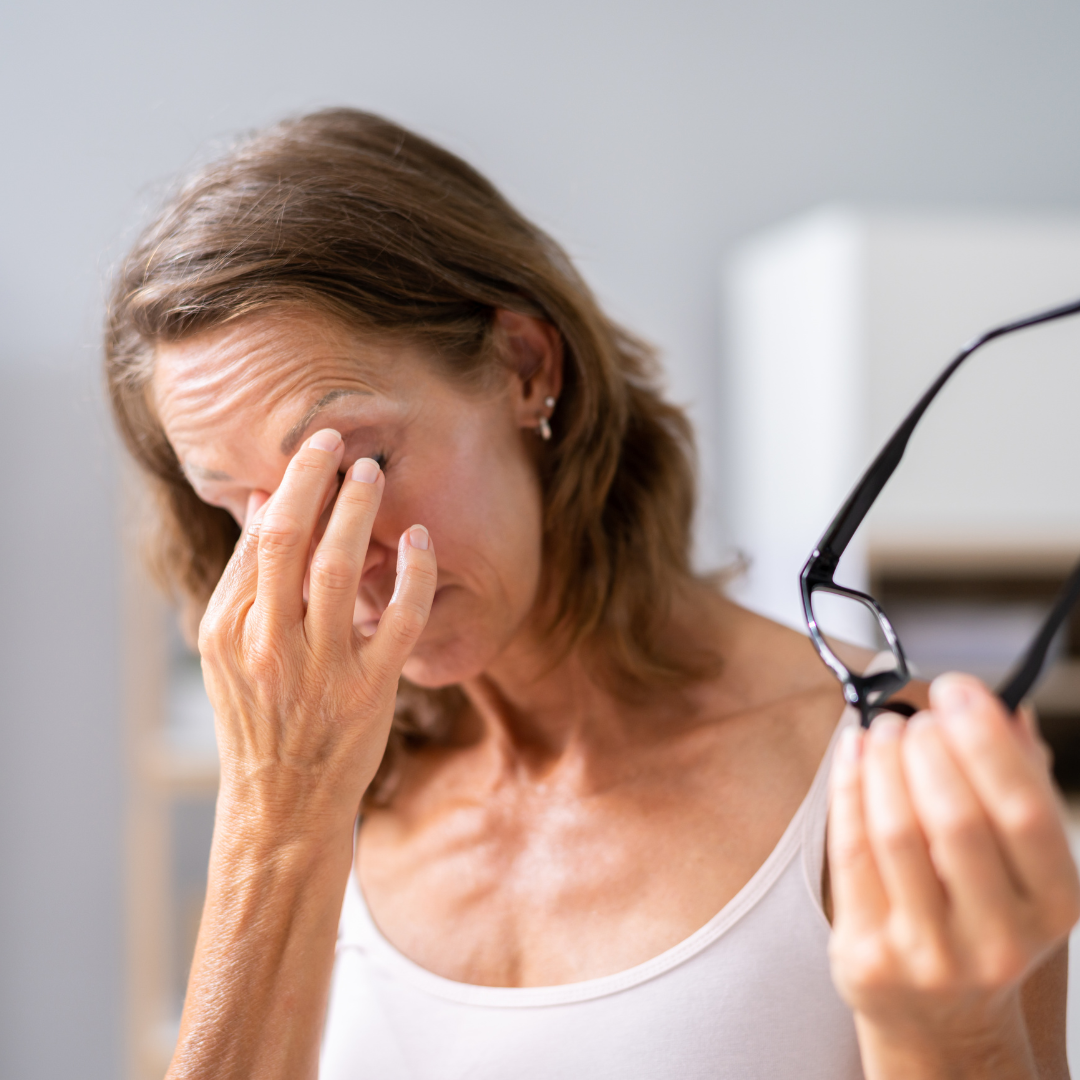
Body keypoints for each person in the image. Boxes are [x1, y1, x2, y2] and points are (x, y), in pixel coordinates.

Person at [105, 108, 1080, 1080]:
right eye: (244, 508)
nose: (316, 565)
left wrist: (949, 1040)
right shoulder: (320, 791)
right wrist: (277, 821)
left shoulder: (878, 772)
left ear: (527, 368)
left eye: (354, 467)